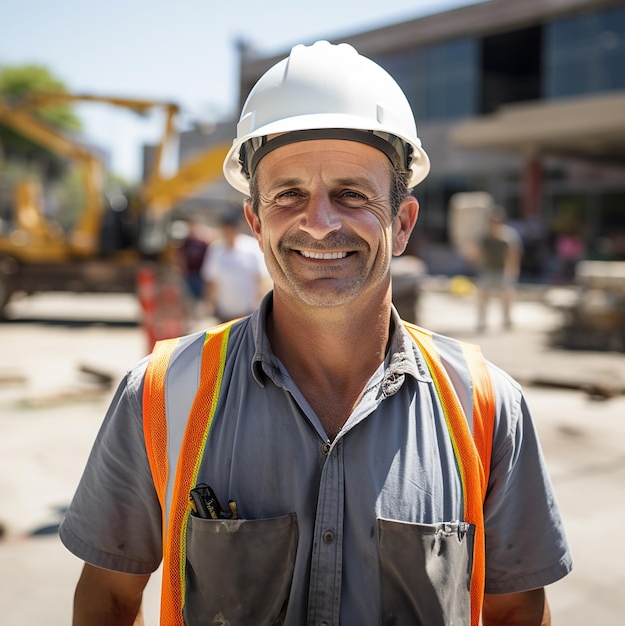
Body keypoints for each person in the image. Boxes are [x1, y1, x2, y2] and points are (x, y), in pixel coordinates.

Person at [60, 41, 572, 625]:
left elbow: (516, 611)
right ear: (256, 221)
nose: (320, 223)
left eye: (352, 194)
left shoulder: (484, 406)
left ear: (402, 223)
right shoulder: (160, 396)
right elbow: (108, 598)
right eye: (289, 195)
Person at [200, 208, 270, 322]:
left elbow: (261, 279)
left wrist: (261, 305)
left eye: (230, 227)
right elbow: (212, 280)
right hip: (224, 312)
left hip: (248, 312)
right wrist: (209, 303)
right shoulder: (216, 250)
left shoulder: (251, 247)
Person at [475, 207, 523, 332]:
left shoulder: (508, 236)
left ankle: (507, 319)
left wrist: (513, 269)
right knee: (483, 296)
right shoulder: (484, 237)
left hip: (502, 271)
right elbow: (479, 254)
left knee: (506, 296)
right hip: (488, 270)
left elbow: (513, 254)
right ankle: (482, 320)